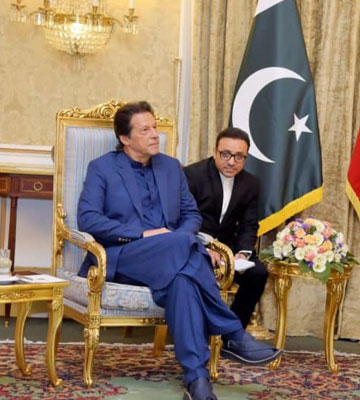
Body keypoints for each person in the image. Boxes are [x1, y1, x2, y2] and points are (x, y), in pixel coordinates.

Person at [76, 101, 281, 400]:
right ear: (125, 138)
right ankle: (232, 333)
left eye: (155, 127)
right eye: (145, 130)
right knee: (186, 245)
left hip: (173, 257)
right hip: (123, 256)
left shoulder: (171, 167)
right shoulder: (102, 168)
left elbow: (191, 215)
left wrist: (179, 238)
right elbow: (88, 219)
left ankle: (197, 382)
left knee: (183, 282)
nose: (154, 134)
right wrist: (145, 234)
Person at [183, 127, 267, 329]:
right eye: (226, 154)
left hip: (229, 249)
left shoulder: (251, 183)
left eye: (239, 157)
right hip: (196, 244)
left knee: (258, 273)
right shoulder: (192, 175)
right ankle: (196, 330)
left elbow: (249, 224)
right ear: (215, 152)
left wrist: (243, 253)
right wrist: (203, 247)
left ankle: (232, 332)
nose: (231, 162)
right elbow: (181, 219)